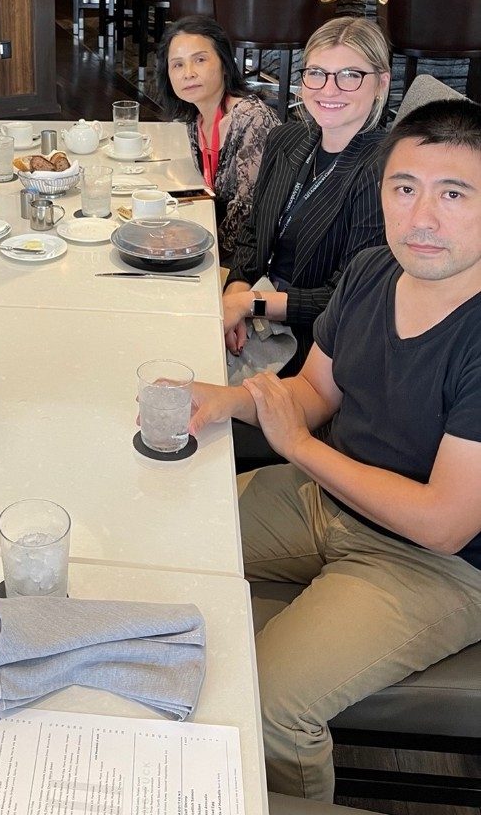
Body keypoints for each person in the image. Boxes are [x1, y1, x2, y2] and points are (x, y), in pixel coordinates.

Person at [189, 99, 481, 801]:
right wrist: (222, 399)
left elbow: (444, 524)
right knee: (169, 539)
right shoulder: (372, 270)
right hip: (328, 500)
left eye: (452, 194)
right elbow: (316, 392)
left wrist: (296, 447)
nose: (420, 217)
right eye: (402, 188)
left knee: (268, 704)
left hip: (434, 569)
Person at [222, 17, 391, 379]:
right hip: (255, 309)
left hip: (314, 344)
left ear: (381, 83)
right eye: (317, 73)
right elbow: (253, 234)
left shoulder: (383, 171)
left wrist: (250, 304)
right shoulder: (287, 140)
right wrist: (233, 298)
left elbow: (349, 296)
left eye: (349, 75)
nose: (329, 90)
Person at [157, 16, 279, 265]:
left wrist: (192, 251)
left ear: (224, 64)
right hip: (226, 249)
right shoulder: (196, 119)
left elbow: (248, 216)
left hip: (260, 260)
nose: (188, 74)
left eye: (200, 60)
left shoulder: (251, 118)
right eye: (177, 65)